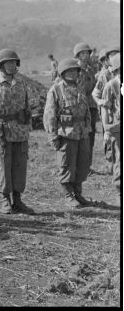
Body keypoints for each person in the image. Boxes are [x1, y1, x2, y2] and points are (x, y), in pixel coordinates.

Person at [0, 49, 34, 214]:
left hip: (20, 131)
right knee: (4, 166)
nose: (11, 65)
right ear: (1, 65)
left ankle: (17, 200)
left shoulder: (22, 83)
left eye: (13, 62)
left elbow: (27, 106)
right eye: (7, 63)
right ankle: (5, 199)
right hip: (2, 131)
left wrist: (28, 124)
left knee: (20, 166)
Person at [43, 58, 92, 207]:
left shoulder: (80, 89)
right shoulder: (56, 90)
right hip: (66, 134)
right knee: (66, 165)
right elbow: (50, 115)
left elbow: (87, 112)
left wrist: (87, 128)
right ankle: (68, 195)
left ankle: (78, 193)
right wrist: (53, 136)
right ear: (62, 73)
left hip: (82, 134)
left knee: (82, 165)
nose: (72, 73)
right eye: (69, 71)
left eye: (75, 71)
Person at [73, 42, 98, 173]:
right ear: (77, 55)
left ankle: (87, 166)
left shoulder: (90, 69)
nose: (86, 55)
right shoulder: (74, 70)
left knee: (91, 135)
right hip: (79, 107)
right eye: (82, 53)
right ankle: (78, 166)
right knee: (79, 135)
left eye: (87, 53)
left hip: (91, 106)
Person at [100, 53, 121, 192]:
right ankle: (120, 185)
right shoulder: (111, 85)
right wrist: (107, 130)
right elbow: (105, 109)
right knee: (119, 157)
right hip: (117, 127)